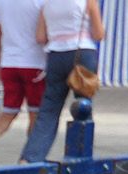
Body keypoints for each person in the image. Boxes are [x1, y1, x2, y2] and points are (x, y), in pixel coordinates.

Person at [17, 0, 105, 163]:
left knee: (48, 109)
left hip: (56, 56)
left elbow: (40, 37)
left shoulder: (47, 4)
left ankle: (30, 157)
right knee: (83, 107)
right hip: (82, 54)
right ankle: (82, 158)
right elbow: (99, 34)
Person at [0, 0, 47, 166]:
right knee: (35, 114)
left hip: (9, 63)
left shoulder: (3, 2)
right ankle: (30, 155)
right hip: (34, 63)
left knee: (8, 112)